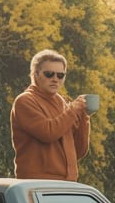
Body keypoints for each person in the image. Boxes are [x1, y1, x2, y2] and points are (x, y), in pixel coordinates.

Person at [11, 50, 90, 180]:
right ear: (35, 74)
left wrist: (84, 117)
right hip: (37, 182)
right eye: (49, 74)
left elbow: (78, 151)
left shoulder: (62, 103)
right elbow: (48, 133)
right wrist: (74, 110)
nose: (55, 79)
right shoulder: (24, 101)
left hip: (67, 182)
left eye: (60, 75)